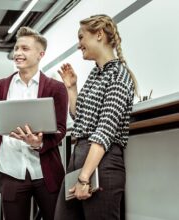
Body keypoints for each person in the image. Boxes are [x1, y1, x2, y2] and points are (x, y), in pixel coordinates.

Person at [0, 26, 68, 220]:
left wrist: (39, 143)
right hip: (10, 171)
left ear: (40, 54)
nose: (17, 53)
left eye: (25, 49)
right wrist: (6, 117)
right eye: (16, 48)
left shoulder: (56, 88)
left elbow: (60, 130)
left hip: (46, 172)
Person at [54, 14, 138, 220]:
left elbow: (104, 131)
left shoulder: (119, 75)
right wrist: (72, 88)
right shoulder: (95, 74)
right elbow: (79, 116)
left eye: (81, 37)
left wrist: (84, 178)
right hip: (79, 158)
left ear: (99, 34)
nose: (78, 45)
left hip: (102, 162)